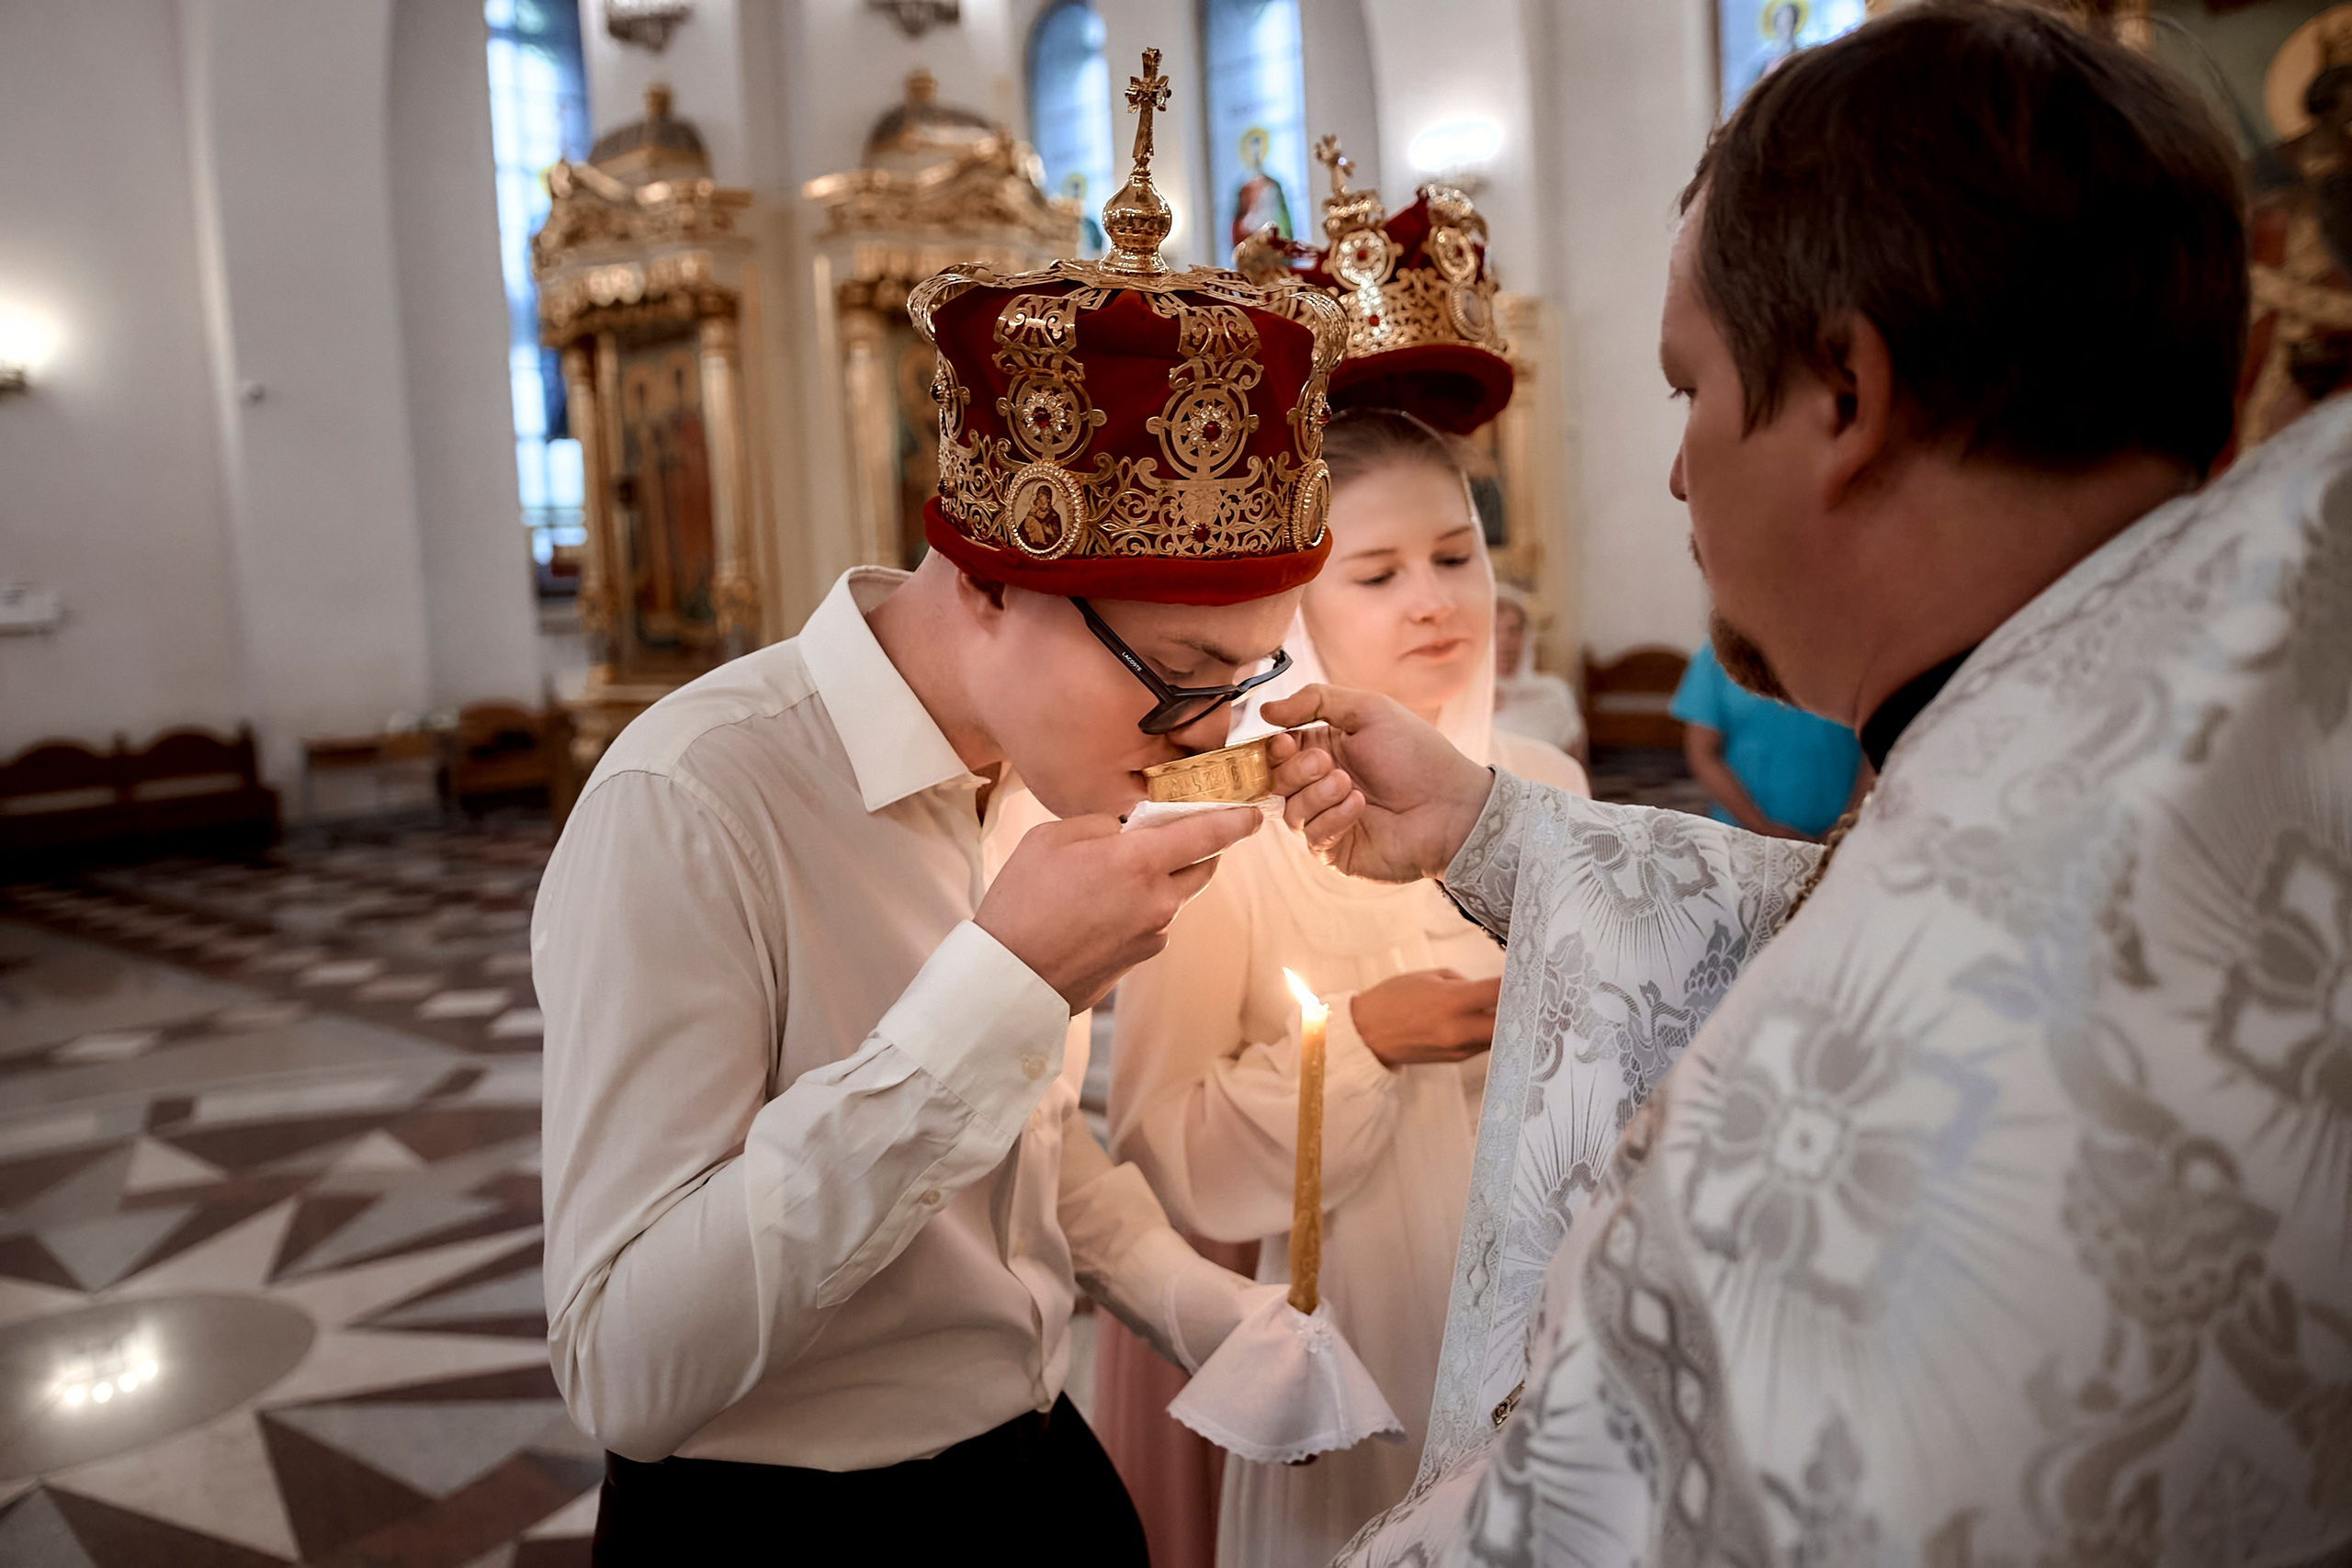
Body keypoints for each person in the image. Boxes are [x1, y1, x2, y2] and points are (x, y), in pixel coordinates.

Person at [1265, 7, 2352, 1562]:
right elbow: (1890, 895)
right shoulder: (2188, 725)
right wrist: (1500, 829)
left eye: (1689, 389)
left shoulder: (1888, 1091)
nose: (1679, 474)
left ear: (1846, 389)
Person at [534, 59, 1351, 1563]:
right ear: (983, 579)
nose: (1212, 734)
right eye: (1179, 677)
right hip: (777, 1519)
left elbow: (1015, 1166)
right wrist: (999, 982)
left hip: (1034, 1470)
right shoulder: (693, 801)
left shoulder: (1039, 777)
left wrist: (1200, 1307)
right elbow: (626, 1362)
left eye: (1248, 677)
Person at [1107, 409, 1587, 1568]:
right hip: (1360, 1334)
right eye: (1375, 573)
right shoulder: (1222, 829)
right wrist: (1364, 1040)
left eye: (1454, 556)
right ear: (1296, 612)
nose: (1434, 599)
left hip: (1543, 1308)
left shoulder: (1545, 782)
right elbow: (1160, 1142)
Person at [1670, 637, 1861, 839]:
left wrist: (1846, 825)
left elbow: (1877, 751)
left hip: (1846, 837)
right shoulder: (1717, 653)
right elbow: (1703, 753)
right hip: (1740, 835)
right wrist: (1760, 827)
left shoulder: (1852, 651)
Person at [1490, 584, 1588, 761]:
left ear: (1526, 636)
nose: (1504, 640)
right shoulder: (1458, 698)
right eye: (1494, 630)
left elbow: (1577, 766)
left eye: (1513, 630)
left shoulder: (1553, 694)